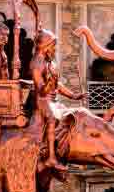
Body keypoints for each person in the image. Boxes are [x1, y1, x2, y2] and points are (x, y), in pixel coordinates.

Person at [30, 29, 84, 171]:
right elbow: (41, 90)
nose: (54, 49)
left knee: (69, 117)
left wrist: (73, 96)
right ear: (45, 46)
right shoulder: (37, 63)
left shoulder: (49, 62)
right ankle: (51, 158)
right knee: (52, 118)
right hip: (43, 100)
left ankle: (63, 150)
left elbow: (57, 85)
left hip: (53, 100)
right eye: (53, 45)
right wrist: (49, 82)